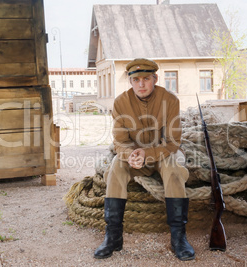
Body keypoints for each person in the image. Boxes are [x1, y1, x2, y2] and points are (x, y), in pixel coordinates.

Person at [94, 58, 195, 261]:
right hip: (132, 155)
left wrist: (147, 155)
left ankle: (178, 238)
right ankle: (113, 237)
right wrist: (130, 155)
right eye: (136, 79)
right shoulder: (120, 102)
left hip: (162, 153)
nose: (141, 84)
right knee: (115, 167)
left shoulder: (170, 100)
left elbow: (173, 142)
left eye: (146, 79)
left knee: (173, 168)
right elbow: (120, 141)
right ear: (130, 81)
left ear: (155, 79)